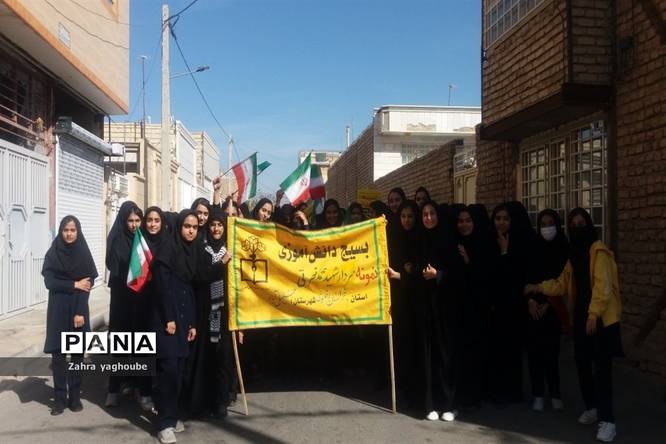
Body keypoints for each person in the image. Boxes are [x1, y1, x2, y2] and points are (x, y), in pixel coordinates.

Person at [525, 208, 622, 443]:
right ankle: (592, 408)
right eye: (574, 224)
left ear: (589, 224)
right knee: (582, 364)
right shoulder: (574, 255)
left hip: (601, 319)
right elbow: (561, 283)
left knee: (602, 371)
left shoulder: (598, 251)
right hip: (581, 317)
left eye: (581, 223)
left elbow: (603, 287)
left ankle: (608, 421)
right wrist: (538, 287)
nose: (578, 228)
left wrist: (593, 315)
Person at [42, 216, 98, 415]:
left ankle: (74, 398)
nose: (69, 234)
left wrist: (80, 312)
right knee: (58, 357)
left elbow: (87, 285)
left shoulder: (83, 252)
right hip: (57, 309)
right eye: (66, 230)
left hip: (77, 309)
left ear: (78, 231)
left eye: (73, 230)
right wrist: (74, 284)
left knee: (76, 356)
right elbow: (49, 282)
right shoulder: (54, 252)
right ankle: (59, 400)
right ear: (61, 231)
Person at [152, 210, 199, 444]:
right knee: (169, 371)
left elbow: (189, 290)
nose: (191, 230)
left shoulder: (191, 252)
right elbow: (162, 287)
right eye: (187, 226)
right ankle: (163, 424)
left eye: (194, 227)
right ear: (179, 227)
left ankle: (171, 416)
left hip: (183, 319)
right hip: (166, 320)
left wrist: (192, 323)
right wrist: (169, 318)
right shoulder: (167, 250)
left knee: (179, 371)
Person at [186, 207, 233, 418]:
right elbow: (200, 276)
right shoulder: (201, 248)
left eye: (220, 225)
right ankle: (202, 402)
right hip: (205, 310)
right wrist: (221, 264)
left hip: (224, 312)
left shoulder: (231, 248)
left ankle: (220, 401)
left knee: (222, 357)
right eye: (213, 224)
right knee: (205, 356)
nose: (216, 228)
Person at [487, 202, 532, 406]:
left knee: (512, 350)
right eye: (498, 218)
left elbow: (516, 276)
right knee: (495, 350)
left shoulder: (521, 242)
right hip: (494, 306)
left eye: (505, 219)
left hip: (513, 305)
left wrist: (505, 252)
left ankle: (511, 392)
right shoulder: (489, 240)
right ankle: (496, 390)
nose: (501, 223)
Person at [417, 201, 457, 421]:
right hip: (426, 307)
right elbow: (414, 271)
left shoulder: (449, 241)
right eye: (424, 214)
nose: (428, 218)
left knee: (446, 356)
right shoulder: (419, 240)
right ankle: (431, 404)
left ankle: (449, 405)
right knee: (429, 357)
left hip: (446, 308)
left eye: (432, 213)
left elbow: (460, 274)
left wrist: (438, 275)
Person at [525, 209, 569, 412]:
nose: (547, 228)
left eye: (551, 223)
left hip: (554, 308)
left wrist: (549, 303)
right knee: (534, 353)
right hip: (533, 308)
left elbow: (565, 281)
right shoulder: (532, 248)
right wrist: (530, 301)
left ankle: (555, 393)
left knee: (552, 354)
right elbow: (525, 278)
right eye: (543, 224)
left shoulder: (564, 249)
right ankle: (538, 394)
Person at [448, 205, 490, 411]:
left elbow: (487, 278)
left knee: (475, 353)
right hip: (457, 308)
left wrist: (468, 261)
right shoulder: (453, 244)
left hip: (478, 309)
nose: (463, 225)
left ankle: (475, 396)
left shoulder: (484, 244)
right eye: (460, 221)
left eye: (468, 221)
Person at [105, 201, 144, 408]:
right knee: (120, 346)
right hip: (121, 300)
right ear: (123, 221)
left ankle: (137, 387)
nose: (134, 225)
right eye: (130, 220)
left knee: (139, 346)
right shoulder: (116, 239)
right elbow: (112, 264)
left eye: (137, 220)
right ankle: (113, 389)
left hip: (139, 300)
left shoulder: (142, 240)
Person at [386, 200, 421, 408]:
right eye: (403, 216)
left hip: (418, 301)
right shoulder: (395, 238)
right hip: (399, 301)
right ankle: (403, 386)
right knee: (402, 343)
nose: (406, 220)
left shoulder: (421, 238)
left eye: (410, 216)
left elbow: (422, 273)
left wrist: (402, 275)